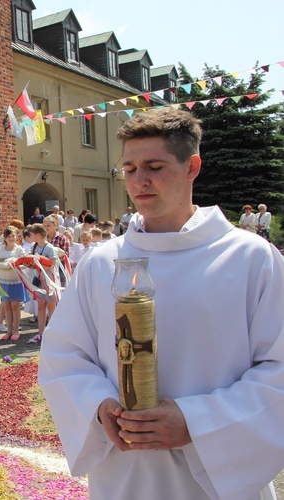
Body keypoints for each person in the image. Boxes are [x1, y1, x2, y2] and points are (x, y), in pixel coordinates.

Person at [38, 107, 284, 499]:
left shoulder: (250, 259)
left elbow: (279, 368)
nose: (140, 181)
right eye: (130, 168)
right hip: (125, 474)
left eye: (154, 166)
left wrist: (196, 423)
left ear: (193, 167)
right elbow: (65, 355)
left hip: (214, 480)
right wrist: (100, 407)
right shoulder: (101, 263)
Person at [0, 226, 27, 339]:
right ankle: (9, 331)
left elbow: (24, 264)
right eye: (9, 236)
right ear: (5, 238)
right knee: (6, 305)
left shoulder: (19, 249)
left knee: (15, 305)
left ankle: (16, 330)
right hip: (3, 280)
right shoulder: (0, 249)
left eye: (13, 236)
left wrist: (16, 266)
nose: (12, 238)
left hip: (15, 280)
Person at [27, 223, 58, 344]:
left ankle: (53, 333)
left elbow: (53, 264)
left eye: (32, 235)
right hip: (39, 281)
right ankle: (41, 333)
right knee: (40, 306)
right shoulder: (34, 247)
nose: (31, 237)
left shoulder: (49, 247)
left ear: (38, 235)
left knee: (51, 306)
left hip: (49, 281)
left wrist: (39, 265)